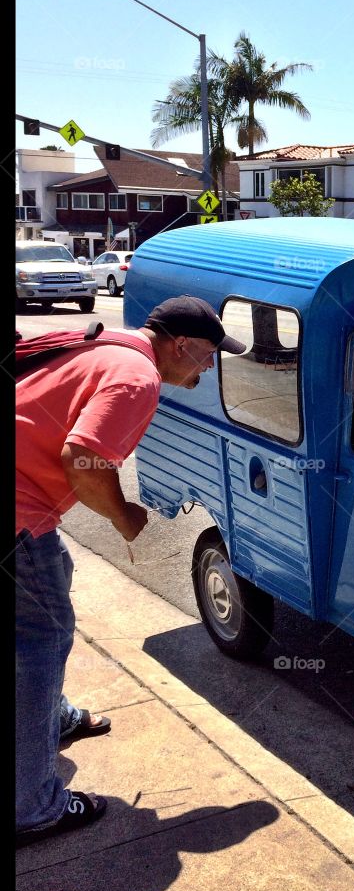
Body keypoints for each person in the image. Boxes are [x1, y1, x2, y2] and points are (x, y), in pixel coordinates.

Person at [15, 296, 245, 848]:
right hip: (20, 513)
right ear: (182, 344)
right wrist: (124, 517)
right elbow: (83, 458)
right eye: (208, 355)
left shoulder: (109, 346)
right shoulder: (137, 376)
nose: (209, 368)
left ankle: (55, 716)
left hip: (27, 507)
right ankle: (30, 807)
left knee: (52, 598)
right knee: (40, 640)